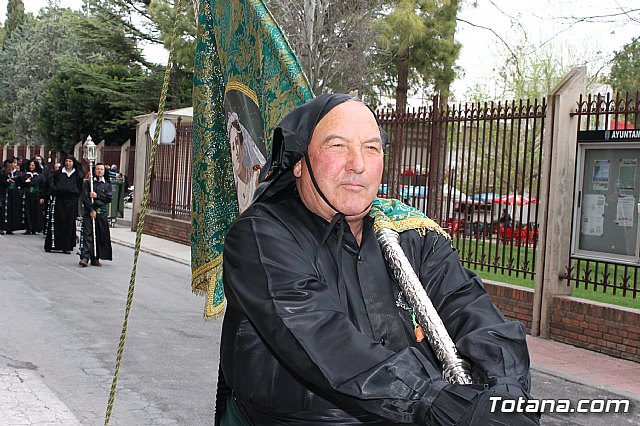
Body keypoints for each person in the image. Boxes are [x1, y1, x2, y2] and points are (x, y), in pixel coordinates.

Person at [217, 94, 539, 425]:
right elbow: (324, 339)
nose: (357, 164)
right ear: (299, 162)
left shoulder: (411, 232)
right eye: (338, 146)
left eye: (372, 148)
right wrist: (441, 404)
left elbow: (470, 309)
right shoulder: (262, 235)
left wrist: (507, 396)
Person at [227, 111, 266, 213]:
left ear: (243, 146)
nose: (235, 150)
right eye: (232, 146)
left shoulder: (257, 175)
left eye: (237, 143)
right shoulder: (233, 187)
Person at [44, 155, 83, 254]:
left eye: (70, 161)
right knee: (57, 221)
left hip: (72, 201)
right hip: (60, 200)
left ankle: (66, 246)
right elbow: (51, 183)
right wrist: (55, 189)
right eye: (66, 161)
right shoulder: (58, 173)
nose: (68, 163)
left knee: (69, 223)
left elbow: (80, 187)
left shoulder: (77, 174)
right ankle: (54, 245)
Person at [78, 163, 113, 267]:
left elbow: (108, 198)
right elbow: (85, 198)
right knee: (88, 234)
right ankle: (85, 257)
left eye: (101, 169)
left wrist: (97, 195)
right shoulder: (89, 183)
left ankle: (95, 257)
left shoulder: (107, 185)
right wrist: (91, 209)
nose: (99, 171)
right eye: (97, 169)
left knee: (99, 235)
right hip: (90, 212)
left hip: (101, 213)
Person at [20, 159, 46, 234]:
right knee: (27, 210)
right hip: (28, 194)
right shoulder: (26, 174)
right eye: (30, 165)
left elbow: (42, 187)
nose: (31, 167)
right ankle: (29, 228)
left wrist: (42, 197)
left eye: (33, 165)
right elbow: (22, 184)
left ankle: (35, 228)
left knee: (36, 211)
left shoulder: (39, 176)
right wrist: (25, 181)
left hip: (36, 195)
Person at [0, 157, 24, 235]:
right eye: (13, 163)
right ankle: (2, 227)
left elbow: (21, 182)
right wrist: (7, 181)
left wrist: (15, 181)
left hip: (14, 194)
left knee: (12, 210)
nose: (14, 165)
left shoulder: (18, 173)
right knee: (4, 210)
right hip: (5, 193)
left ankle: (11, 227)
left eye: (15, 163)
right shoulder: (3, 172)